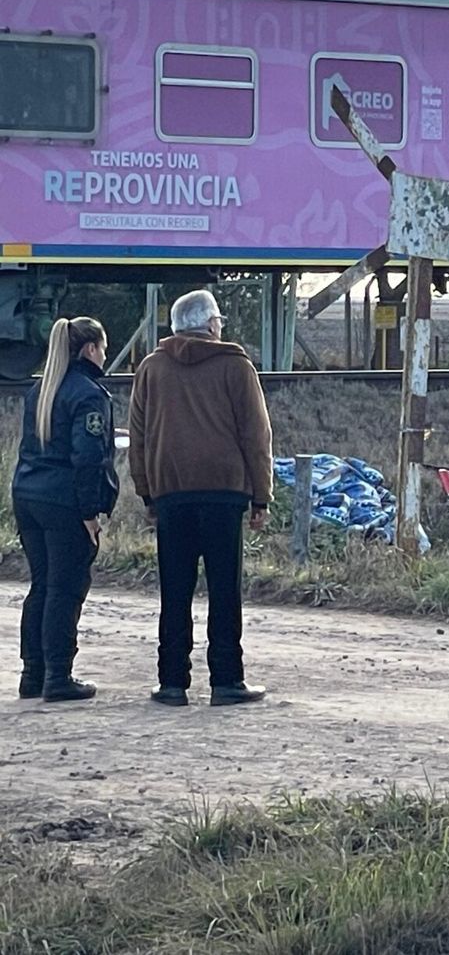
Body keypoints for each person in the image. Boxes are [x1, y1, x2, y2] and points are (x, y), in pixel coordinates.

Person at [128, 290, 273, 707]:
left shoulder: (151, 368)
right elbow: (255, 434)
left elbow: (138, 436)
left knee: (175, 590)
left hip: (171, 493)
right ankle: (227, 681)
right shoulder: (235, 366)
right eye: (219, 321)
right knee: (225, 589)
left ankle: (172, 682)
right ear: (211, 324)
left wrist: (147, 493)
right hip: (225, 494)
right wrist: (260, 496)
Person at [11, 317, 118, 702]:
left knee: (41, 585)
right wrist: (90, 512)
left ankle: (33, 674)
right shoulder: (88, 395)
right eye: (103, 348)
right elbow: (87, 458)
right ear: (90, 349)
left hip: (28, 495)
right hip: (64, 501)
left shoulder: (39, 390)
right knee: (66, 587)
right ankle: (59, 675)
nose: (105, 356)